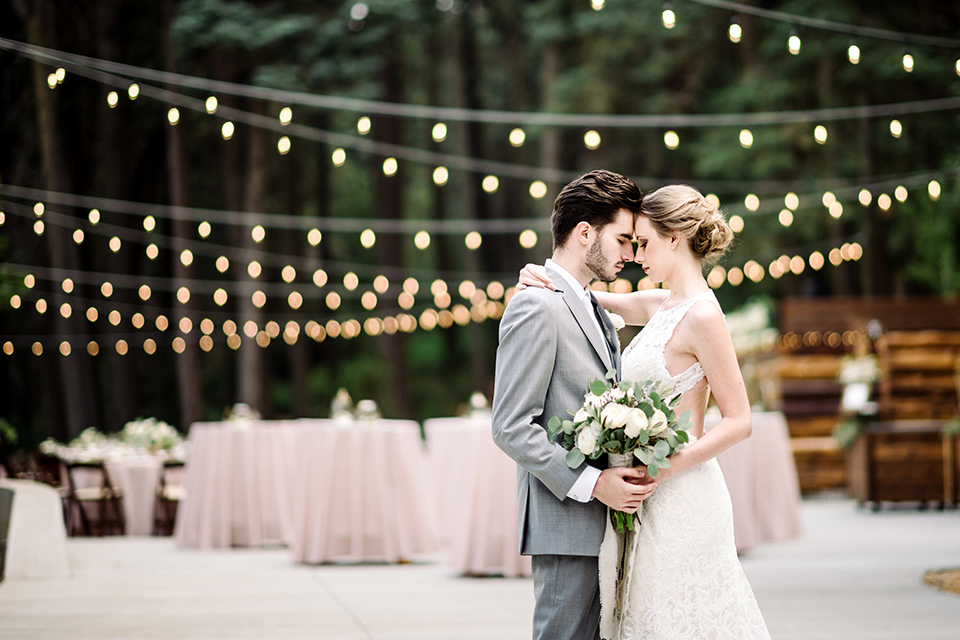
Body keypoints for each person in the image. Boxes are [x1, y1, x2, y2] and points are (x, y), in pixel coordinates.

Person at [519, 184, 770, 639]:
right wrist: (540, 274)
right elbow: (579, 298)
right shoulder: (661, 304)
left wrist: (671, 466)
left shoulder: (704, 317)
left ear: (674, 238)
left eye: (644, 243)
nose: (636, 255)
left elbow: (740, 420)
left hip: (682, 488)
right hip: (641, 496)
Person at [492, 170, 656, 640]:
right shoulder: (535, 306)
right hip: (566, 520)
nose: (631, 253)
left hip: (606, 523)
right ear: (586, 233)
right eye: (623, 239)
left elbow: (683, 303)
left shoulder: (591, 304)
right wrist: (592, 484)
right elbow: (510, 426)